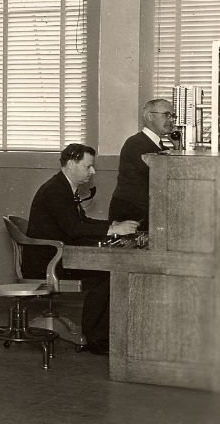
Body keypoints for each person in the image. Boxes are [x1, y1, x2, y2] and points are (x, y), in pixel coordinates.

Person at [25, 143, 139, 355]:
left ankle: (98, 334)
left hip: (57, 256)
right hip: (48, 262)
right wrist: (112, 230)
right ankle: (95, 340)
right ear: (71, 164)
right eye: (88, 167)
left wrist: (113, 227)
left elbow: (81, 221)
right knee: (104, 275)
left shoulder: (63, 186)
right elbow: (74, 228)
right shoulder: (56, 191)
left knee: (105, 272)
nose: (92, 171)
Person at [108, 98, 175, 228]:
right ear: (150, 116)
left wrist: (178, 147)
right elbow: (160, 174)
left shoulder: (158, 145)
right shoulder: (136, 143)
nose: (171, 120)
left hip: (143, 209)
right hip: (131, 212)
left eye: (172, 116)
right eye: (166, 115)